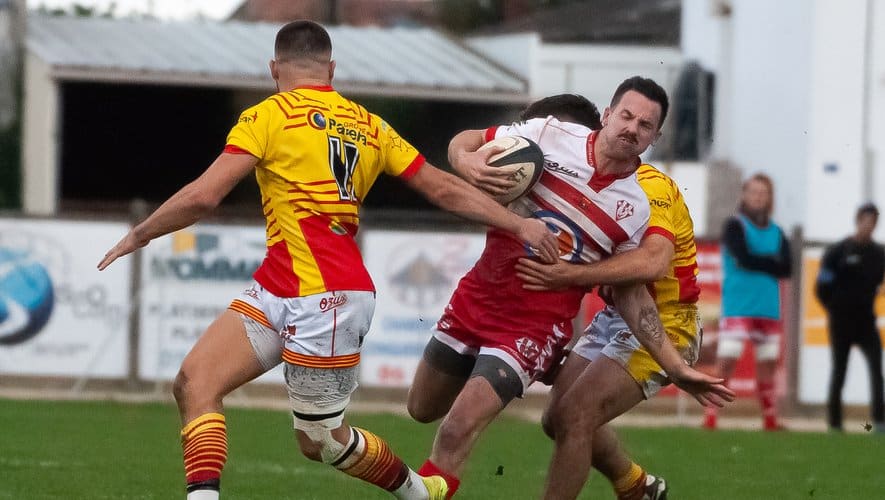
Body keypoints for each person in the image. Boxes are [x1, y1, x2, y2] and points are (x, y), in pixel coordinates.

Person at [97, 20, 559, 500]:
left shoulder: (267, 116)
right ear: (331, 69)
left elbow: (204, 196)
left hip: (327, 296)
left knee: (320, 440)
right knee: (196, 381)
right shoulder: (369, 124)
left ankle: (422, 493)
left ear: (274, 68)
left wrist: (142, 232)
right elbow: (442, 188)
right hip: (282, 284)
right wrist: (520, 224)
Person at [406, 78, 733, 499]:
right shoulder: (545, 139)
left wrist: (672, 364)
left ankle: (535, 362)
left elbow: (651, 265)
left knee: (563, 417)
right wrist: (467, 162)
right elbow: (466, 143)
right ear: (607, 115)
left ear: (655, 137)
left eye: (645, 125)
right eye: (627, 116)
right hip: (485, 301)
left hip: (620, 320)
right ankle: (635, 485)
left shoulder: (642, 198)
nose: (632, 128)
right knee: (430, 409)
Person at [702, 173, 792, 431]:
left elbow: (786, 268)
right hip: (739, 305)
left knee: (767, 363)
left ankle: (770, 419)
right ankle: (710, 416)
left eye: (762, 193)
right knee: (727, 360)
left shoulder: (777, 232)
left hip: (768, 307)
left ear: (769, 198)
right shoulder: (735, 226)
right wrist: (769, 262)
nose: (757, 197)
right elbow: (743, 257)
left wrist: (762, 262)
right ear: (744, 194)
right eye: (753, 192)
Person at [815, 202, 885, 433]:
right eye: (865, 220)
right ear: (857, 220)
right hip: (841, 321)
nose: (869, 226)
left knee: (876, 368)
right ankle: (835, 424)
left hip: (866, 321)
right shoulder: (838, 251)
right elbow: (821, 287)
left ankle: (880, 421)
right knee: (839, 371)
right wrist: (834, 308)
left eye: (873, 222)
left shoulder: (879, 254)